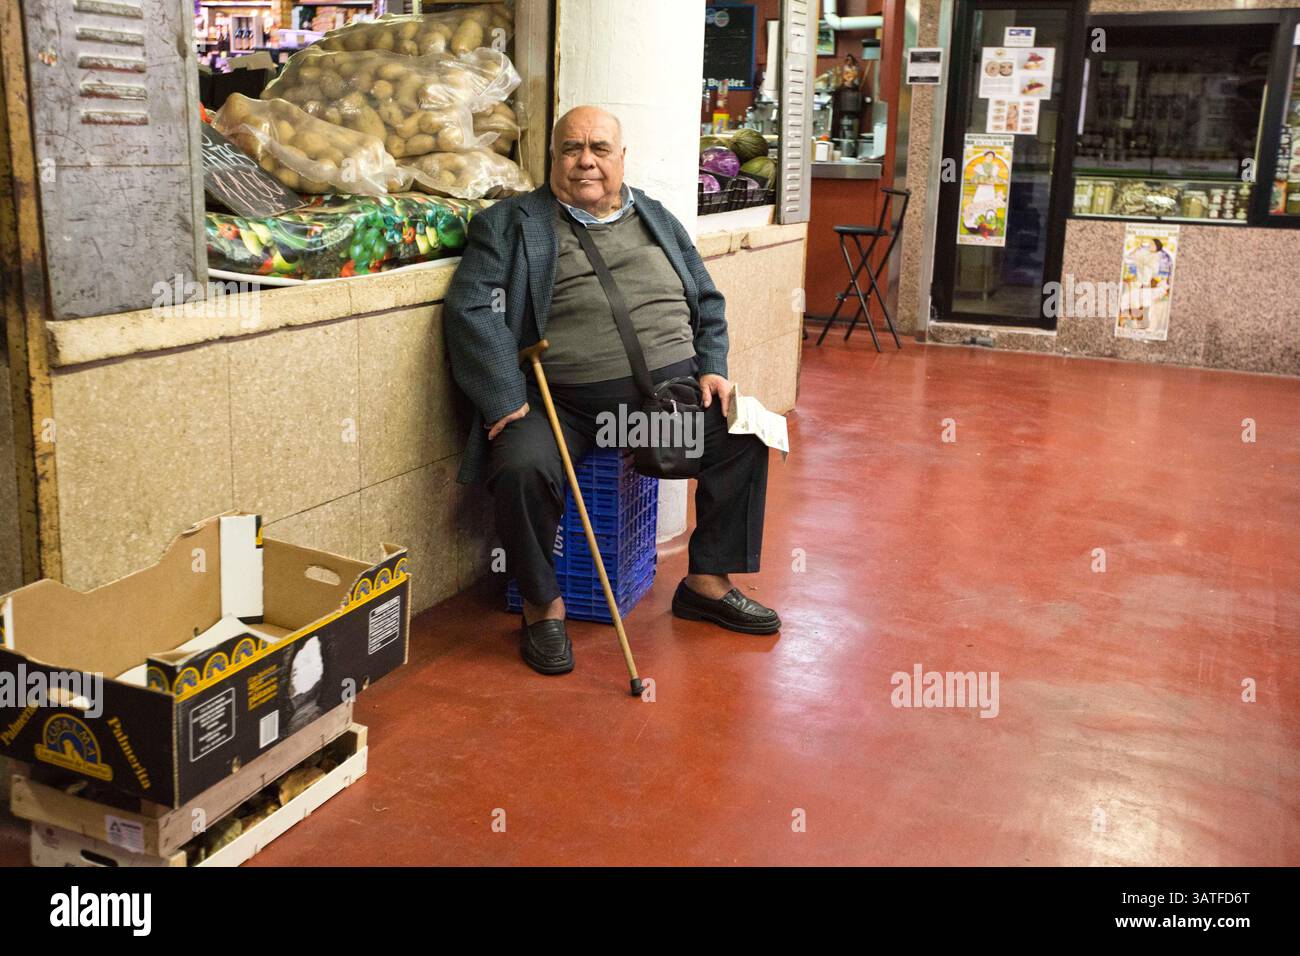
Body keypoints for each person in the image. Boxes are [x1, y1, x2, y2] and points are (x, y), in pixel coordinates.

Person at [444, 105, 780, 676]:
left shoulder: (655, 216)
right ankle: (543, 606)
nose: (586, 161)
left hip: (662, 404)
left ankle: (705, 582)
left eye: (600, 149)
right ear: (552, 158)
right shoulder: (512, 222)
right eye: (571, 149)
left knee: (742, 435)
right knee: (521, 467)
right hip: (564, 406)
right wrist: (503, 394)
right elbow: (471, 307)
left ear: (622, 159)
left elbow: (707, 300)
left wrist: (714, 366)